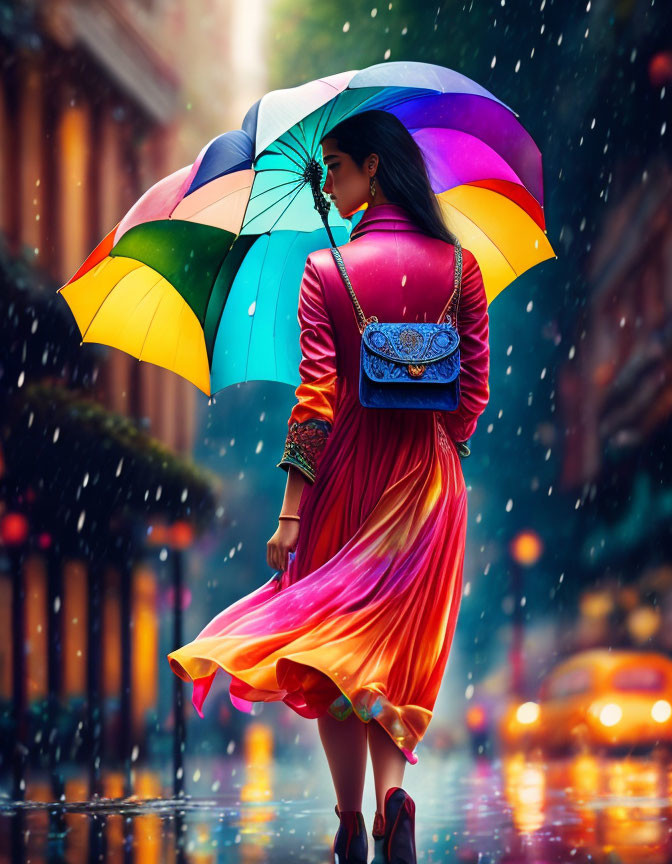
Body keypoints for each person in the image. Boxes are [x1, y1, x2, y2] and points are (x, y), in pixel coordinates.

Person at [167, 109, 490, 864]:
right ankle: (391, 800)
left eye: (338, 168)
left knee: (331, 651)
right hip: (430, 486)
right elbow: (472, 392)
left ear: (374, 168)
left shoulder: (325, 272)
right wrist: (442, 442)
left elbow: (314, 398)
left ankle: (349, 821)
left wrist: (289, 513)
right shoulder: (461, 268)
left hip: (346, 477)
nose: (333, 186)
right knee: (390, 654)